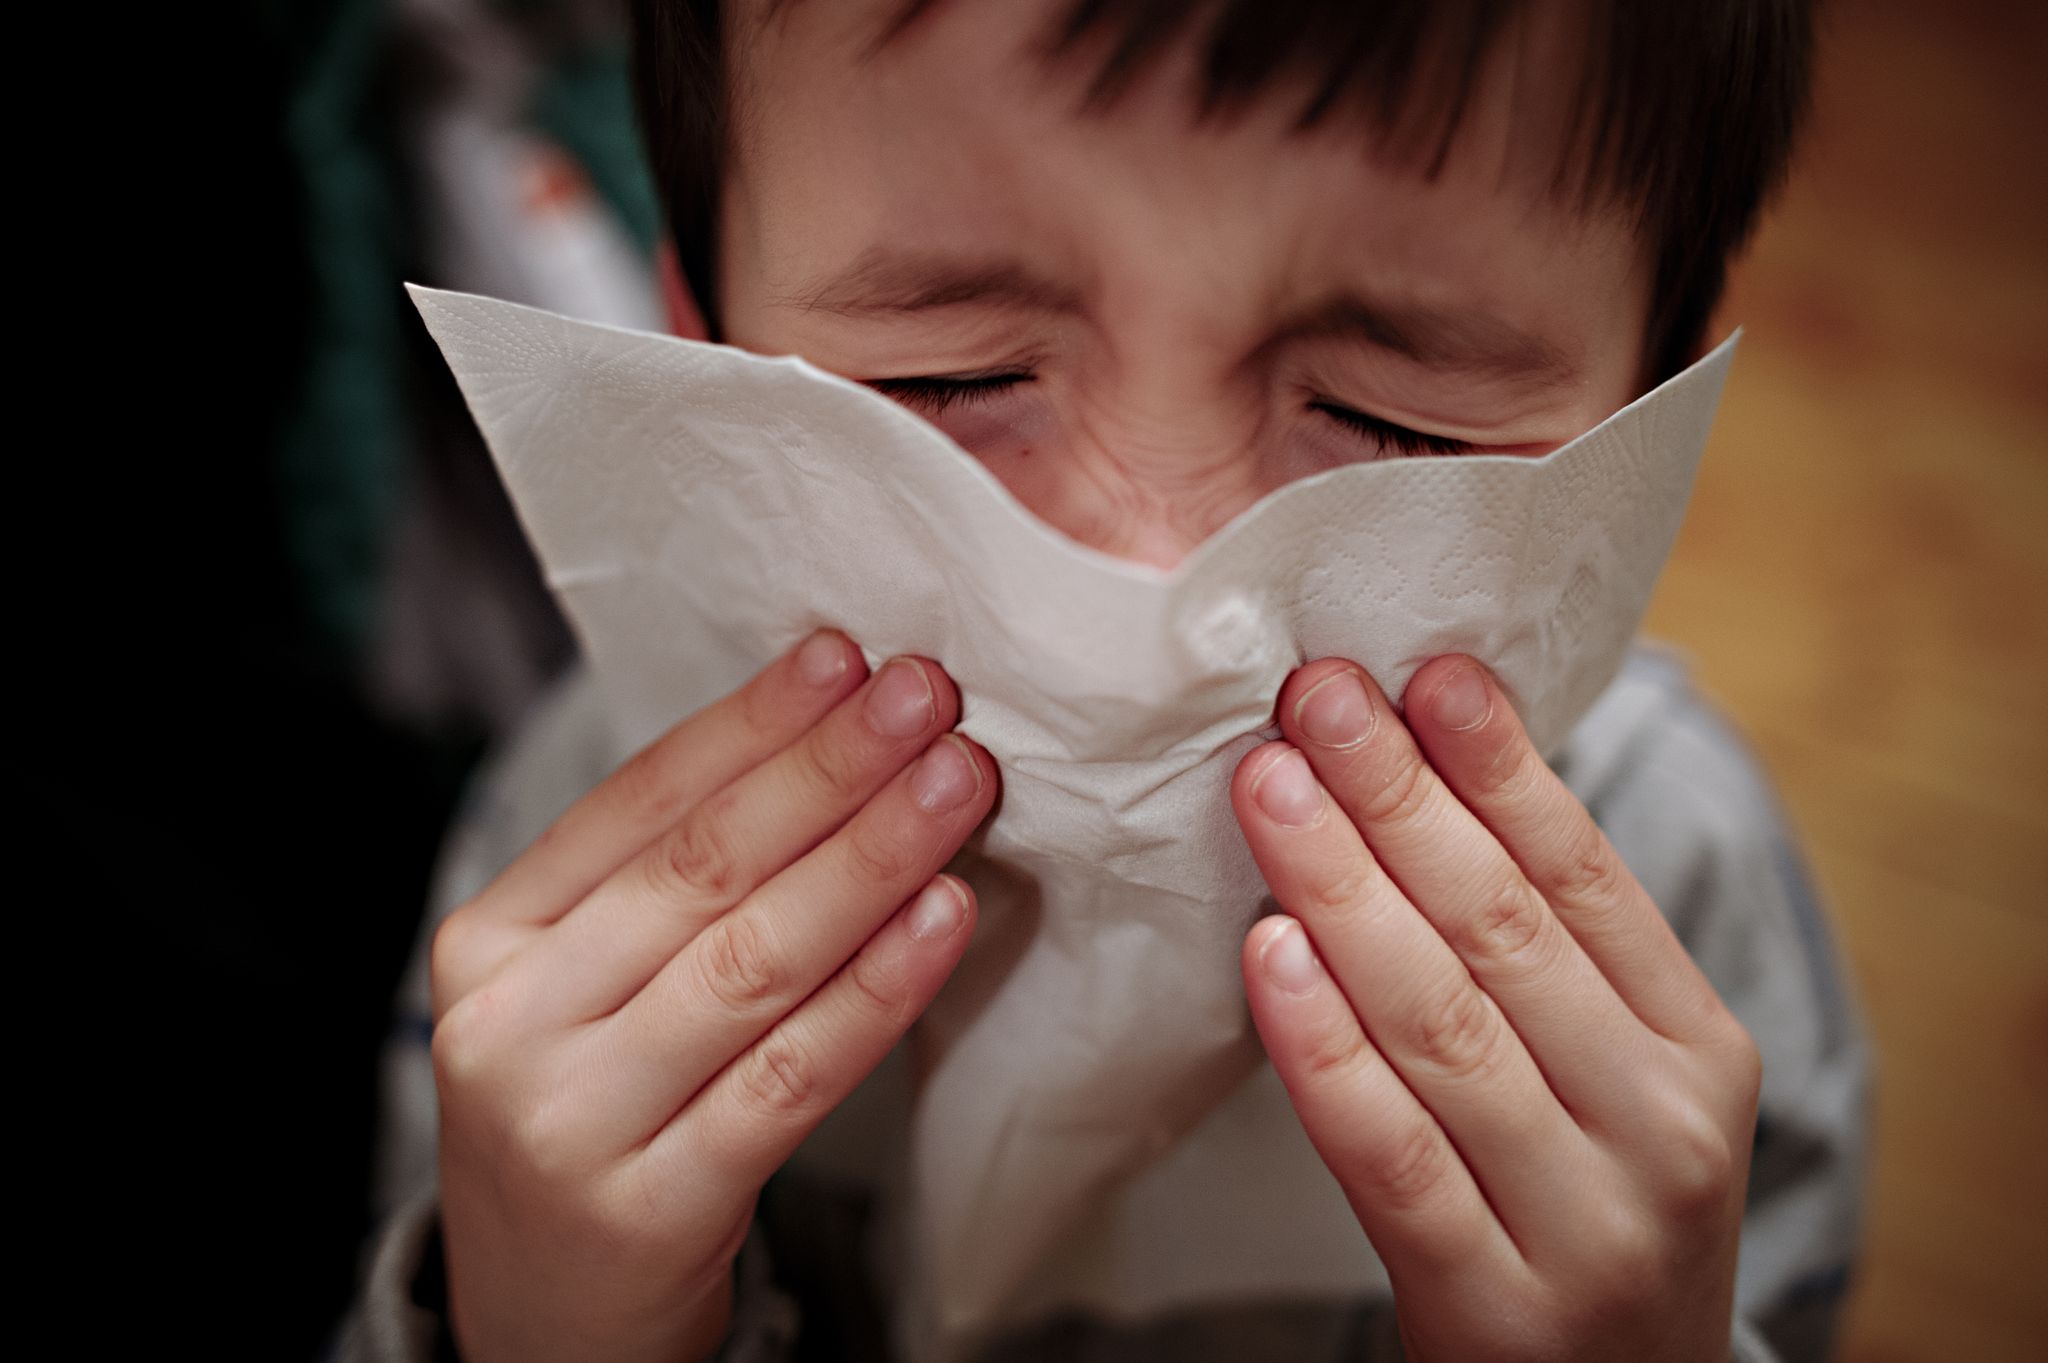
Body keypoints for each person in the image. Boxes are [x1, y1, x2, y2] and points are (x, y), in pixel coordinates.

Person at [335, 2, 1869, 1360]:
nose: (1157, 587)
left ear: (1645, 427)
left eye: (1394, 421)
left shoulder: (1682, 896)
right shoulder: (573, 867)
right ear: (703, 348)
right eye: (953, 380)